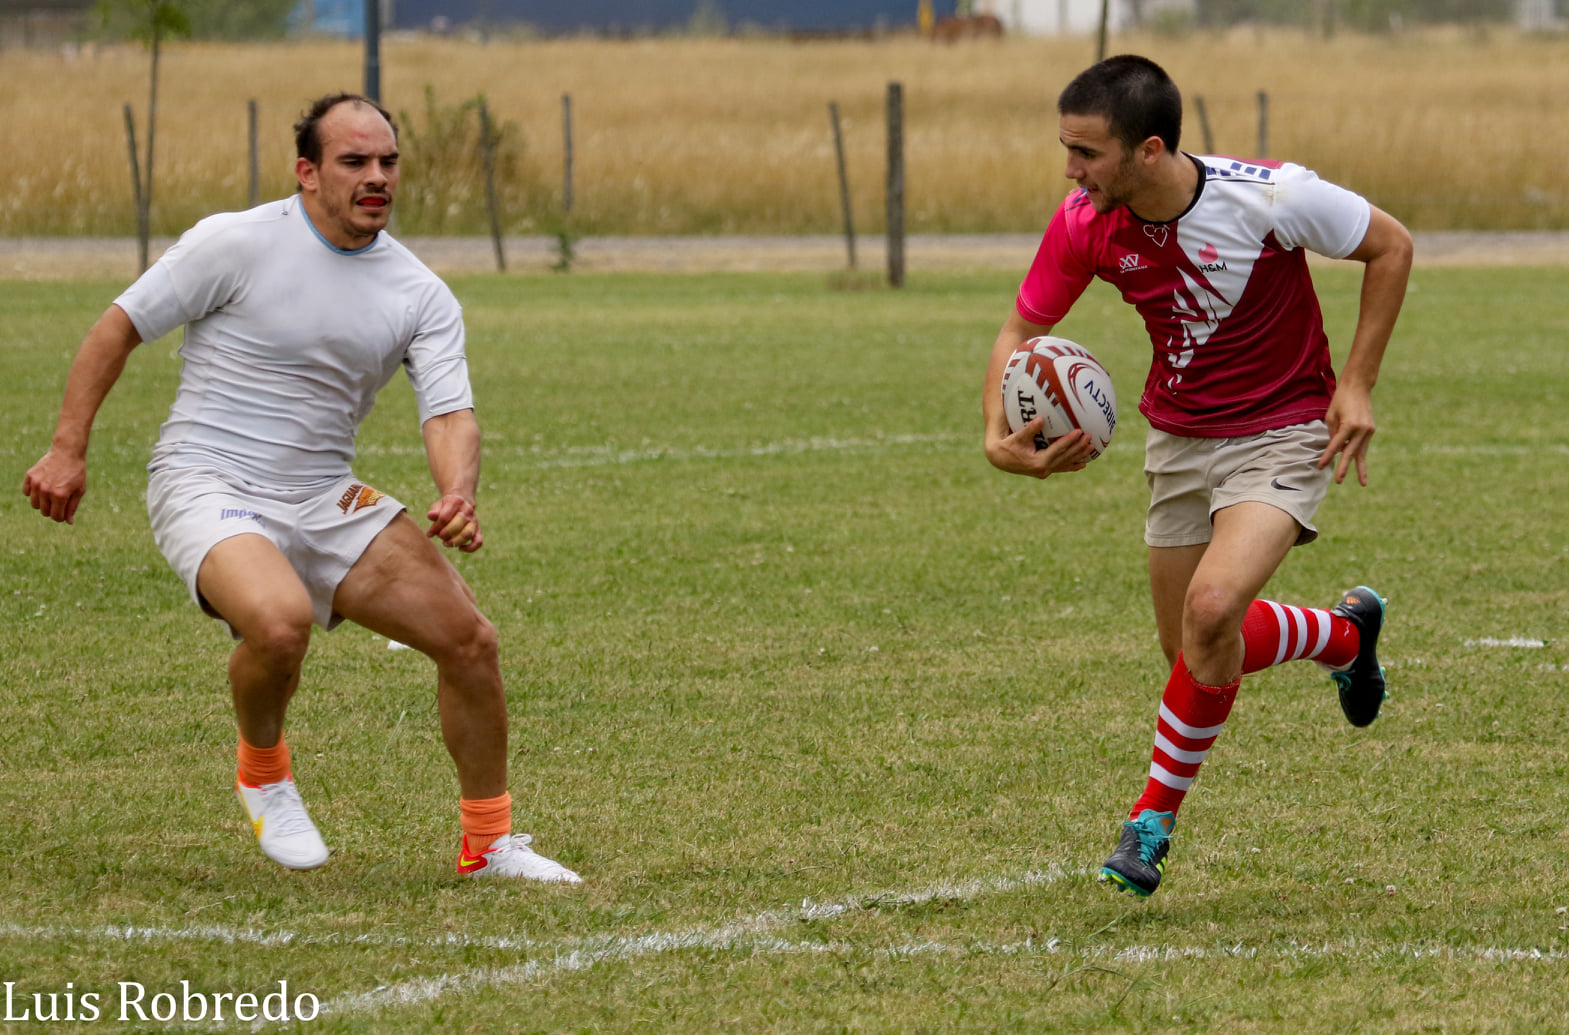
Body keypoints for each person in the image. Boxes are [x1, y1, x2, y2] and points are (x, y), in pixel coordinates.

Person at [22, 92, 580, 884]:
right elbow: (118, 327)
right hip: (207, 476)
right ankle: (264, 772)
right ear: (308, 172)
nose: (376, 177)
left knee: (469, 641)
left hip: (323, 493)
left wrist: (456, 490)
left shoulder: (418, 291)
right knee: (279, 623)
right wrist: (66, 449)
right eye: (354, 161)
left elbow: (449, 412)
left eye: (388, 162)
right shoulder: (236, 242)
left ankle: (487, 844)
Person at [982, 56, 1412, 898]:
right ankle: (1343, 636)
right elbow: (1018, 332)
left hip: (1283, 427)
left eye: (1085, 152)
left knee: (1212, 610)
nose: (1069, 170)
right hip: (1178, 436)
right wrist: (996, 436)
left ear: (1148, 150)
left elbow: (1390, 245)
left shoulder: (1271, 197)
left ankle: (1148, 822)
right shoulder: (1084, 222)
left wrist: (1356, 383)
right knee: (1191, 649)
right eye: (1066, 148)